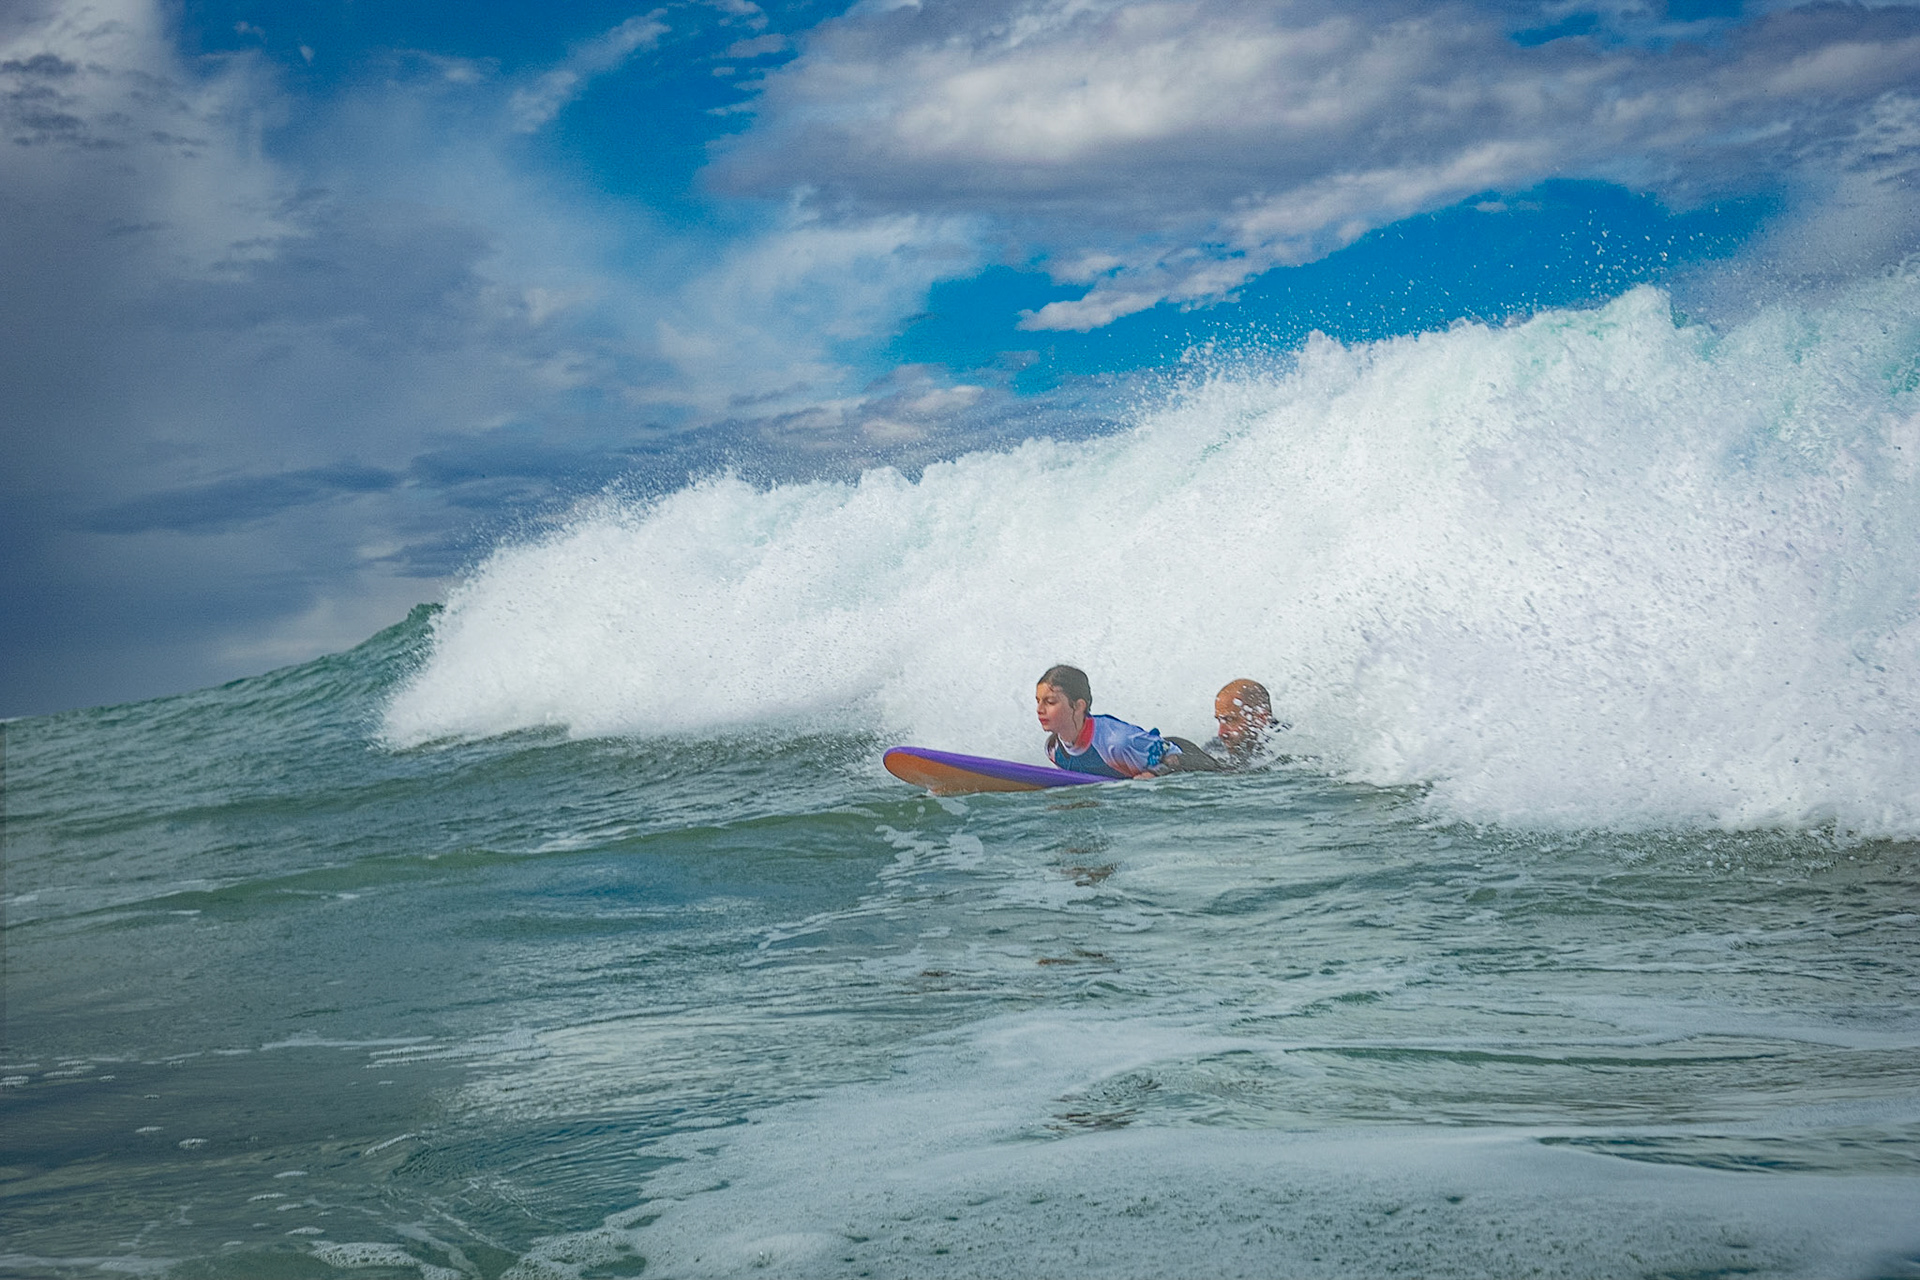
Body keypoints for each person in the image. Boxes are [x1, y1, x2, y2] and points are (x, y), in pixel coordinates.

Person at [1036, 664, 1225, 778]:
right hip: (1144, 754)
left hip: (1180, 753)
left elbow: (1177, 758)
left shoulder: (1117, 743)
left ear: (1078, 706)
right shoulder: (1053, 749)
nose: (1040, 710)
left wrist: (1155, 773)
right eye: (1038, 701)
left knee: (1228, 769)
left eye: (1050, 702)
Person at [1206, 678, 1281, 767]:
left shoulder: (1285, 745)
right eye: (1220, 721)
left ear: (1261, 719)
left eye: (1230, 720)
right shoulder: (1216, 748)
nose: (1221, 733)